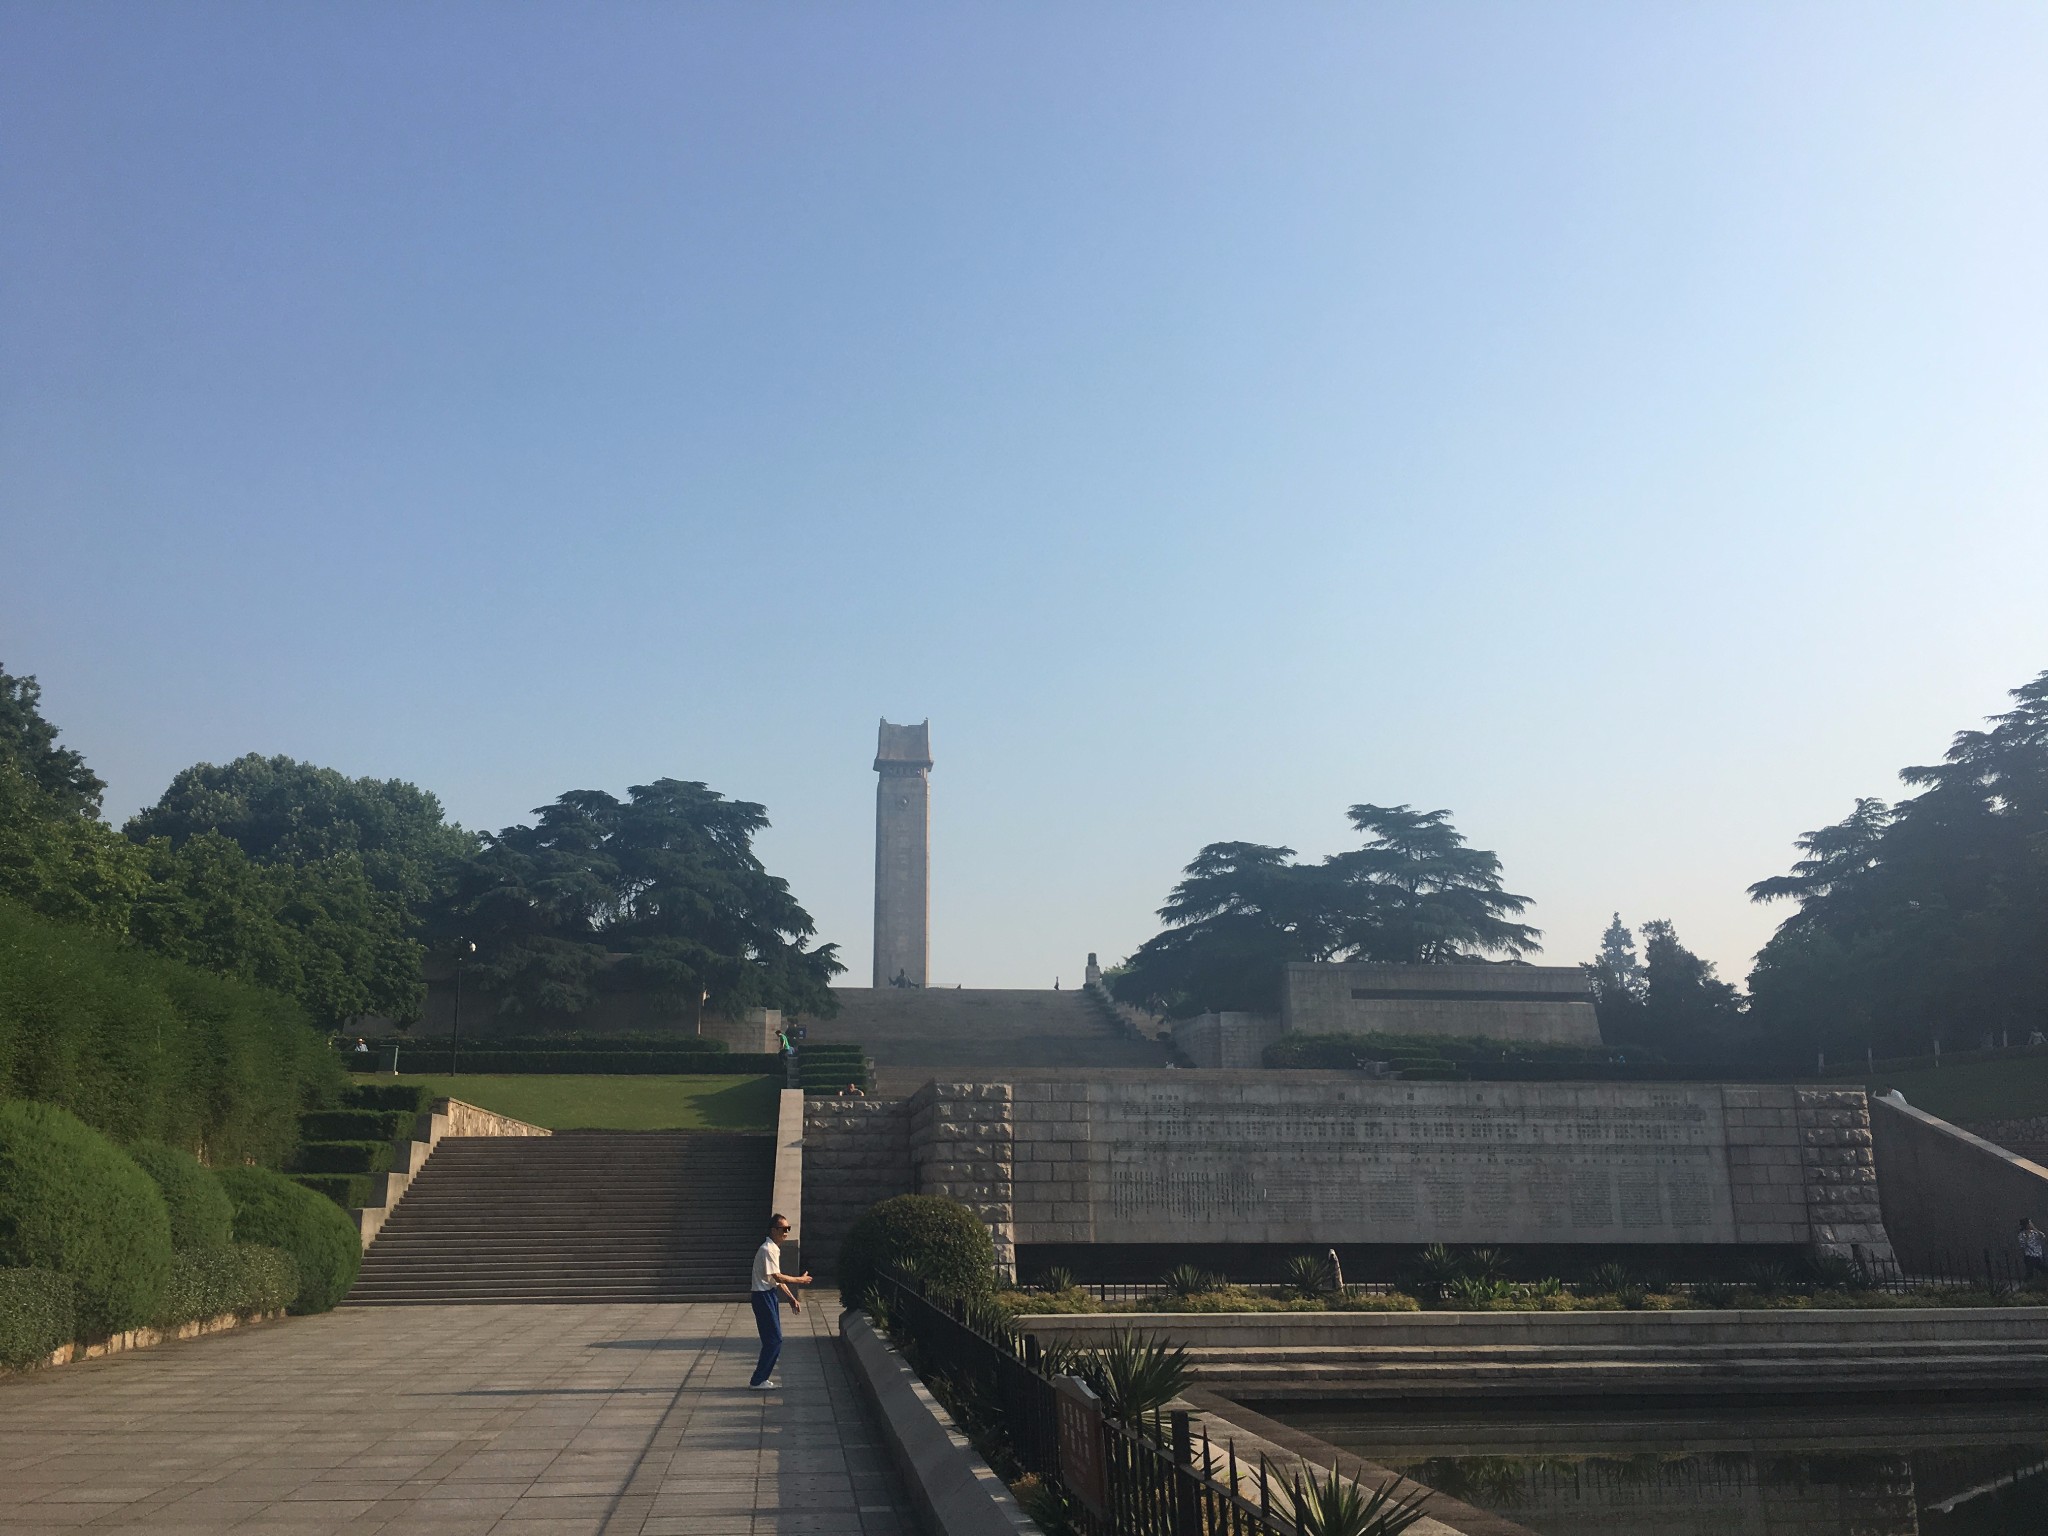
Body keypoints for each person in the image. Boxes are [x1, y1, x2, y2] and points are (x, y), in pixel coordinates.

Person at [748, 1213, 811, 1389]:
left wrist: (791, 1298)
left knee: (774, 1339)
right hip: (762, 1297)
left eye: (788, 1229)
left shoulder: (773, 1249)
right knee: (773, 1340)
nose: (786, 1232)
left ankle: (761, 1378)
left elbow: (776, 1280)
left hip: (768, 1295)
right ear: (773, 1230)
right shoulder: (768, 1249)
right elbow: (776, 1276)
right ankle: (758, 1379)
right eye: (783, 1229)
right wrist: (799, 1280)